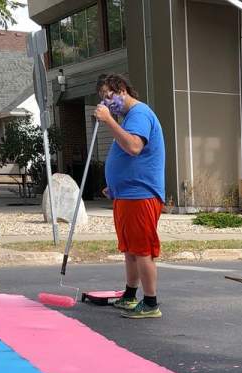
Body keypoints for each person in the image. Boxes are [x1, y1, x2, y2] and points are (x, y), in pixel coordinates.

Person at [95, 72, 165, 320]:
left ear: (122, 89)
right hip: (126, 194)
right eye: (103, 98)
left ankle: (150, 302)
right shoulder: (128, 119)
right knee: (130, 250)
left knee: (142, 250)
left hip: (141, 195)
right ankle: (130, 294)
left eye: (108, 96)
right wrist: (115, 184)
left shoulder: (139, 114)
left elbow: (135, 146)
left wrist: (109, 122)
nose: (106, 103)